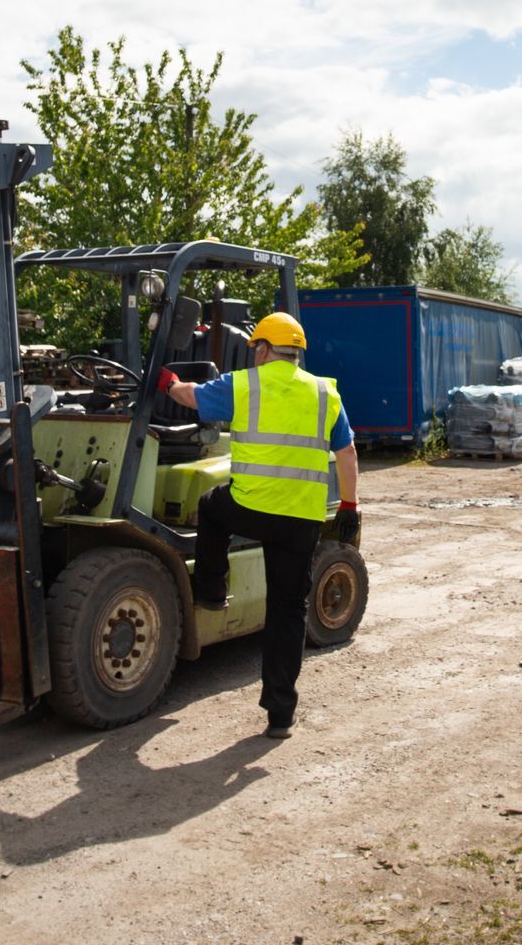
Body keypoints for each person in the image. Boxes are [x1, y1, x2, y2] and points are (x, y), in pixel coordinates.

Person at [158, 310, 359, 739]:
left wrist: (169, 384)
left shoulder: (244, 385)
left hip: (249, 507)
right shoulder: (326, 394)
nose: (255, 356)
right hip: (301, 520)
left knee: (211, 506)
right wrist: (348, 506)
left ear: (265, 349)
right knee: (288, 612)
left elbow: (192, 397)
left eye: (257, 349)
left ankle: (212, 591)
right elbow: (347, 455)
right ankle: (280, 716)